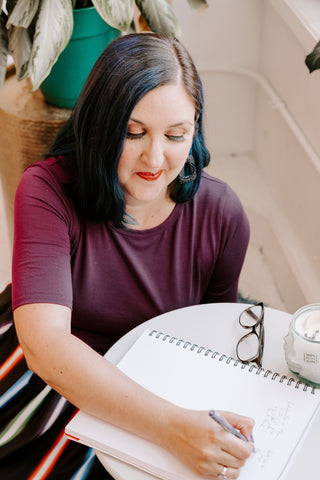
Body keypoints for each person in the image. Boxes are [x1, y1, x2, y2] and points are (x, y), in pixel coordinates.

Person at [1, 33, 254, 479]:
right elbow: (46, 344)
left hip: (158, 372)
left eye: (177, 135)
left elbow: (213, 336)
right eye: (133, 132)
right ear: (100, 123)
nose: (154, 158)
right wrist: (172, 428)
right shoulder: (46, 191)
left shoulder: (223, 213)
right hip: (56, 372)